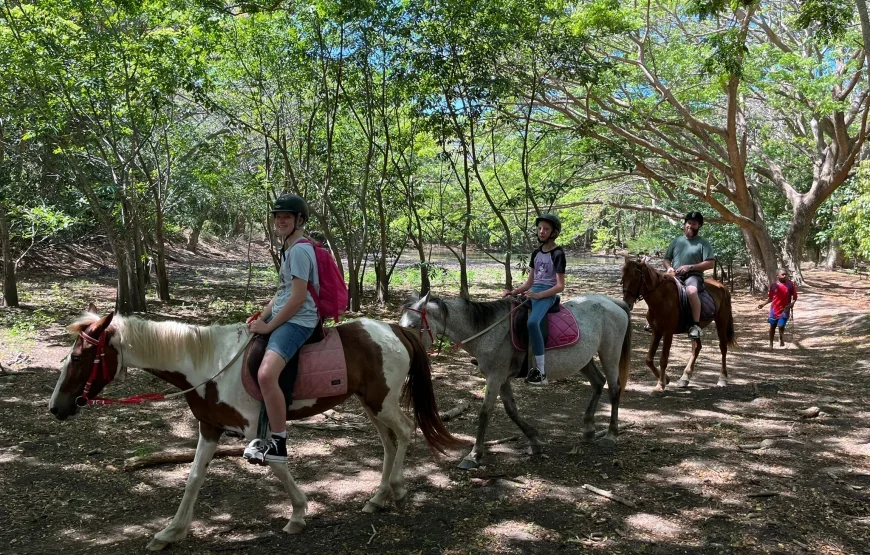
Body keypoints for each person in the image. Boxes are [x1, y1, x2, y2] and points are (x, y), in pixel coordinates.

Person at [243, 194, 320, 464]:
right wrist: (259, 318)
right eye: (277, 216)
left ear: (300, 220)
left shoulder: (299, 250)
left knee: (266, 375)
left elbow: (298, 298)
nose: (280, 221)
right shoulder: (289, 247)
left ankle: (278, 442)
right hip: (286, 316)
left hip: (299, 321)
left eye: (286, 216)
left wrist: (270, 326)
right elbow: (282, 292)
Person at [503, 213, 566, 386]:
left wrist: (539, 295)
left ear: (554, 232)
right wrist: (514, 291)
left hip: (547, 294)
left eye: (546, 229)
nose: (542, 232)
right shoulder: (536, 253)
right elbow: (530, 282)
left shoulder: (558, 253)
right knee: (508, 313)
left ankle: (541, 372)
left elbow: (560, 285)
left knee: (532, 323)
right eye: (539, 228)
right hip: (532, 292)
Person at [663, 211, 716, 340]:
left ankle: (696, 326)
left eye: (694, 224)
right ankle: (653, 319)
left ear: (699, 226)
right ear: (685, 224)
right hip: (675, 275)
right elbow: (666, 259)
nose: (691, 226)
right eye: (689, 223)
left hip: (694, 276)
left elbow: (710, 263)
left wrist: (690, 267)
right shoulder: (676, 241)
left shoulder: (703, 243)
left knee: (691, 291)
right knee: (657, 287)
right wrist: (669, 267)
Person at [757, 268, 798, 348]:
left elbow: (795, 297)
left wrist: (792, 304)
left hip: (785, 310)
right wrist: (763, 304)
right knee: (772, 326)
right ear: (777, 275)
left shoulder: (790, 284)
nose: (785, 276)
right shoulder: (773, 285)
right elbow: (771, 298)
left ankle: (781, 337)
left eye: (786, 274)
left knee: (781, 325)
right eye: (783, 274)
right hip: (774, 310)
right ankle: (771, 344)